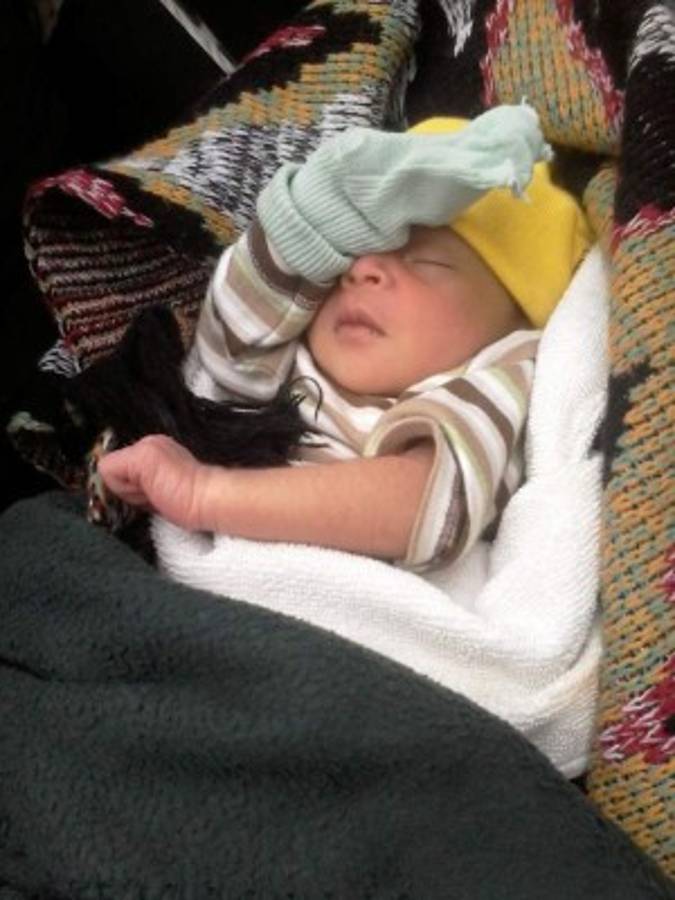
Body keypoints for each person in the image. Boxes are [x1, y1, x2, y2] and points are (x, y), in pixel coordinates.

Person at [98, 103, 592, 571]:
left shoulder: (493, 380)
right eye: (350, 256)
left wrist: (205, 493)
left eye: (427, 261)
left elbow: (432, 506)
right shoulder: (292, 358)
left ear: (515, 322)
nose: (362, 269)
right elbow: (231, 332)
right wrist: (319, 211)